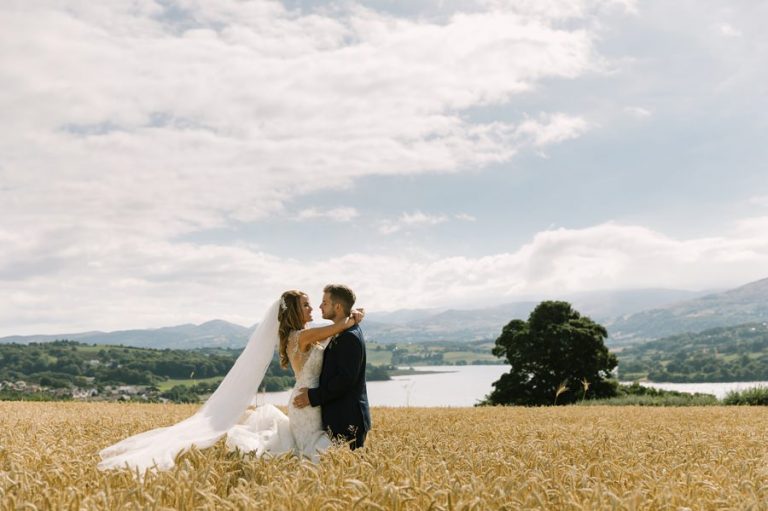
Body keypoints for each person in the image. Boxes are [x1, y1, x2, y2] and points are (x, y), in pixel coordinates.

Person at [97, 289, 363, 473]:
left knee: (305, 447)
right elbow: (336, 328)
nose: (313, 308)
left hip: (306, 399)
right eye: (305, 304)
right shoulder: (300, 337)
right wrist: (352, 319)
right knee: (306, 451)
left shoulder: (302, 335)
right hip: (306, 401)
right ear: (294, 310)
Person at [293, 284, 371, 450]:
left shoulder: (349, 336)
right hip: (335, 416)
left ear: (337, 306)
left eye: (324, 302)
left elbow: (345, 380)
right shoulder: (341, 330)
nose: (319, 306)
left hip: (348, 419)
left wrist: (312, 396)